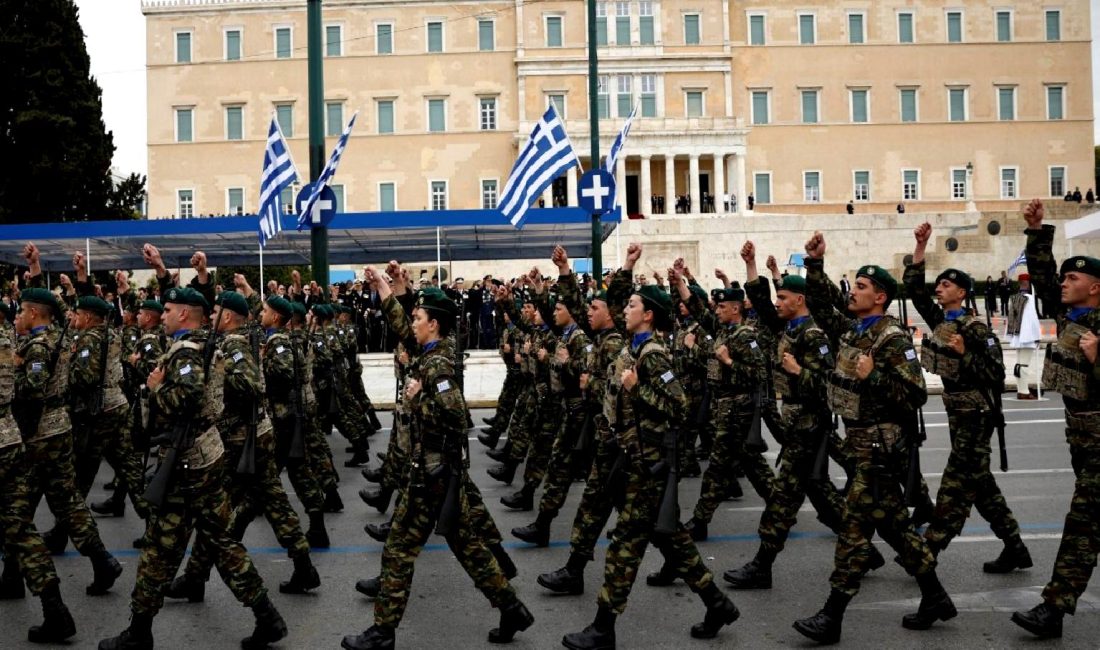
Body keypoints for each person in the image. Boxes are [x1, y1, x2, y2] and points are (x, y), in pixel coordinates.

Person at [341, 273, 533, 650]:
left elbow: (458, 418)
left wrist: (418, 400)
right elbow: (400, 324)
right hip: (437, 473)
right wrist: (383, 288)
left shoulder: (438, 366)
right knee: (470, 550)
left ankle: (382, 632)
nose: (413, 322)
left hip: (431, 474)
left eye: (419, 318)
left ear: (435, 325)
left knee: (399, 550)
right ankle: (512, 608)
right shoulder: (430, 354)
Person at [562, 243, 739, 649]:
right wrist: (625, 267)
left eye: (633, 306)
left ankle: (603, 629)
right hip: (635, 459)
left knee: (625, 546)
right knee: (671, 538)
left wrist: (639, 391)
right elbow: (616, 299)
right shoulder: (633, 347)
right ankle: (717, 603)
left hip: (650, 463)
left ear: (649, 316)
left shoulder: (653, 357)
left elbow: (680, 406)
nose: (624, 309)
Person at [98, 286, 287, 650]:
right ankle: (268, 616)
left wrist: (155, 389)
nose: (163, 315)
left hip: (187, 463)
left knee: (159, 546)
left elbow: (187, 399)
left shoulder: (188, 350)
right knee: (221, 542)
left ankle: (139, 633)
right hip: (205, 457)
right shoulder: (205, 344)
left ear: (184, 314)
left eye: (168, 309)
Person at [792, 231, 955, 644]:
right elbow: (823, 306)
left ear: (879, 297)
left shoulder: (892, 338)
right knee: (897, 529)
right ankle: (935, 596)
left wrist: (875, 376)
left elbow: (916, 394)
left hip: (882, 452)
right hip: (862, 447)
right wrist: (814, 264)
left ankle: (831, 616)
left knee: (853, 534)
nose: (854, 291)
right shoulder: (853, 330)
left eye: (861, 287)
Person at [724, 243, 868, 590]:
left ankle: (762, 565)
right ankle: (867, 550)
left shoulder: (814, 335)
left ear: (799, 301)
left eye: (784, 297)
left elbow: (825, 387)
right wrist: (751, 265)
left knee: (783, 499)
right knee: (818, 492)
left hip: (809, 426)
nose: (777, 302)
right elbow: (759, 302)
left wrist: (797, 370)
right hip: (795, 426)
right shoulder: (787, 329)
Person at [905, 223, 1030, 572]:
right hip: (957, 414)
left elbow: (996, 374)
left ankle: (926, 553)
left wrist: (966, 356)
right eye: (940, 284)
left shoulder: (976, 329)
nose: (940, 289)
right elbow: (915, 291)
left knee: (956, 486)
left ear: (962, 293)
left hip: (977, 416)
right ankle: (1015, 546)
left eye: (947, 285)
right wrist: (920, 247)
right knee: (982, 485)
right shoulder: (943, 321)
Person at [1011, 198, 1100, 639]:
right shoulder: (1072, 316)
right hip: (1082, 442)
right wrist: (1037, 229)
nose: (1064, 283)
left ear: (1096, 286)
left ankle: (1053, 609)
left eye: (1074, 278)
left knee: (1082, 525)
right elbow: (1044, 281)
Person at [12, 244, 123, 596]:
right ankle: (103, 560)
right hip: (58, 429)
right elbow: (57, 306)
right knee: (68, 502)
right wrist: (35, 267)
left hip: (42, 433)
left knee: (18, 509)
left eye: (21, 311)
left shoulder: (41, 345)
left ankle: (19, 581)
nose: (16, 316)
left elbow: (32, 388)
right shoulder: (60, 333)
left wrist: (12, 373)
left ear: (32, 314)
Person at [1006, 273, 1041, 399]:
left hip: (1018, 335)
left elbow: (1011, 318)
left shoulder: (1015, 297)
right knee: (1024, 364)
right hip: (1027, 336)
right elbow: (1032, 319)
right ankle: (1024, 392)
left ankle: (1021, 390)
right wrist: (1037, 335)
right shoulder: (1029, 299)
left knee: (1019, 364)